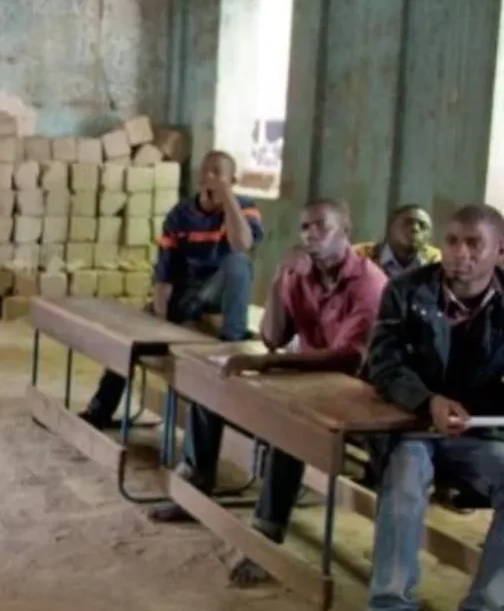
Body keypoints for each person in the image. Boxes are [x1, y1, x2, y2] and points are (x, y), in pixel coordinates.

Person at [197, 199, 384, 585]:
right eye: (304, 228)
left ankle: (266, 533)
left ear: (345, 231)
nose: (311, 235)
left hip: (363, 389)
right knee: (214, 379)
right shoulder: (303, 273)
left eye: (322, 227)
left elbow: (349, 358)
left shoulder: (369, 282)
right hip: (314, 378)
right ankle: (194, 476)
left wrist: (272, 364)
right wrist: (282, 277)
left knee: (291, 425)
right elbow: (272, 337)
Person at [364, 203, 504, 611]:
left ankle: (487, 604)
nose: (461, 253)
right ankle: (390, 603)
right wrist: (428, 401)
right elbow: (384, 364)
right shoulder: (405, 291)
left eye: (474, 243)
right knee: (406, 477)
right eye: (453, 241)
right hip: (413, 426)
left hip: (477, 434)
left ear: (499, 250)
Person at [79, 150, 263, 428]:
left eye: (217, 173)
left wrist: (228, 199)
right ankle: (100, 409)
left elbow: (243, 245)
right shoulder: (181, 214)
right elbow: (163, 273)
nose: (208, 177)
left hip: (216, 296)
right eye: (205, 171)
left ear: (232, 180)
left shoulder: (245, 208)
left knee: (239, 262)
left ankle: (232, 338)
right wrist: (161, 319)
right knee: (129, 337)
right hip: (185, 296)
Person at [354, 204, 440, 279]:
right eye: (408, 223)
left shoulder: (438, 262)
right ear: (390, 227)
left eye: (422, 226)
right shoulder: (359, 256)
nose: (415, 229)